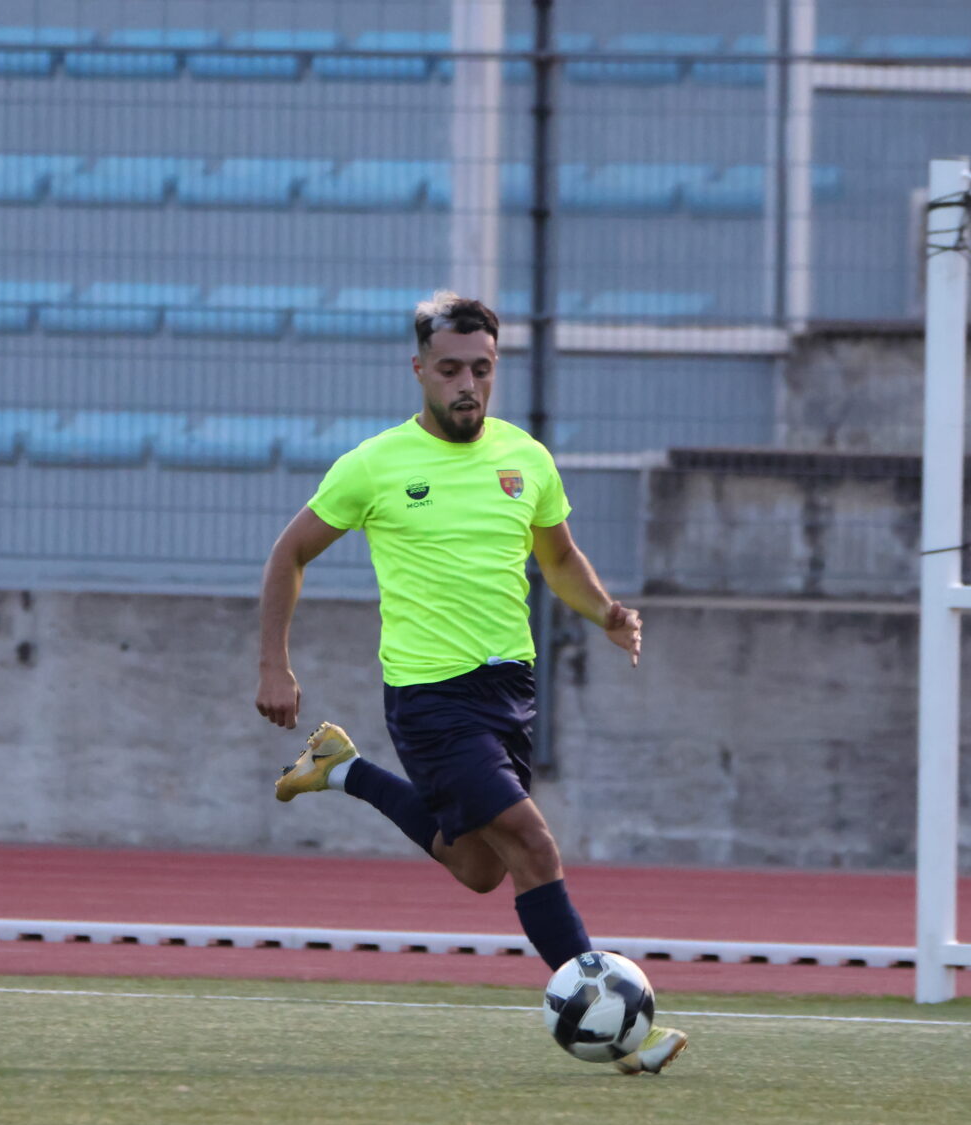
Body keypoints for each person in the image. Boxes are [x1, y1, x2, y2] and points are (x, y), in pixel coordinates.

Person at [254, 289, 686, 1075]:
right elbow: (289, 554)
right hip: (429, 698)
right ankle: (616, 1028)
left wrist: (607, 612)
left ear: (496, 370)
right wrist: (273, 663)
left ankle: (343, 770)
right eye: (449, 368)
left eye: (481, 370)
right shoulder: (375, 465)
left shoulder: (526, 458)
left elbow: (557, 557)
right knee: (532, 842)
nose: (467, 384)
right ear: (418, 370)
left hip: (508, 695)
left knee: (481, 867)